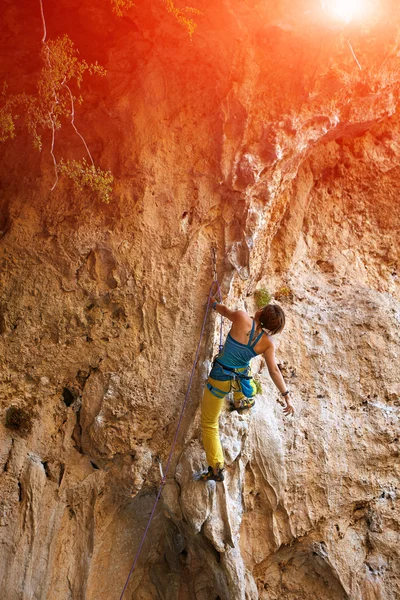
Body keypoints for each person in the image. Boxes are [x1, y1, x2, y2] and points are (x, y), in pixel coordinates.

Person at [200, 296, 294, 482]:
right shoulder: (267, 343)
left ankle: (216, 468)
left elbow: (223, 310)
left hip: (220, 378)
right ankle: (242, 399)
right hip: (240, 380)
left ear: (260, 312)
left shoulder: (242, 317)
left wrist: (212, 302)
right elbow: (274, 370)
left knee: (209, 423)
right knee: (244, 366)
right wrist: (286, 396)